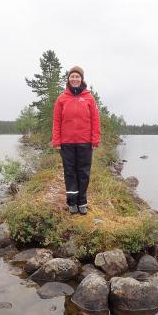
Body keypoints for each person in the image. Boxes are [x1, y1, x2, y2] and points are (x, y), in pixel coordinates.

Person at [52, 66, 101, 215]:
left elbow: (95, 120)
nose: (74, 79)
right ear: (68, 79)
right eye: (72, 76)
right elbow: (56, 121)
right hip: (66, 143)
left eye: (77, 77)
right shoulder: (62, 98)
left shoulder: (89, 98)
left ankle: (82, 202)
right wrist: (56, 141)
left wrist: (95, 140)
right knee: (70, 173)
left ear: (81, 79)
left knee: (83, 172)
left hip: (85, 142)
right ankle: (72, 202)